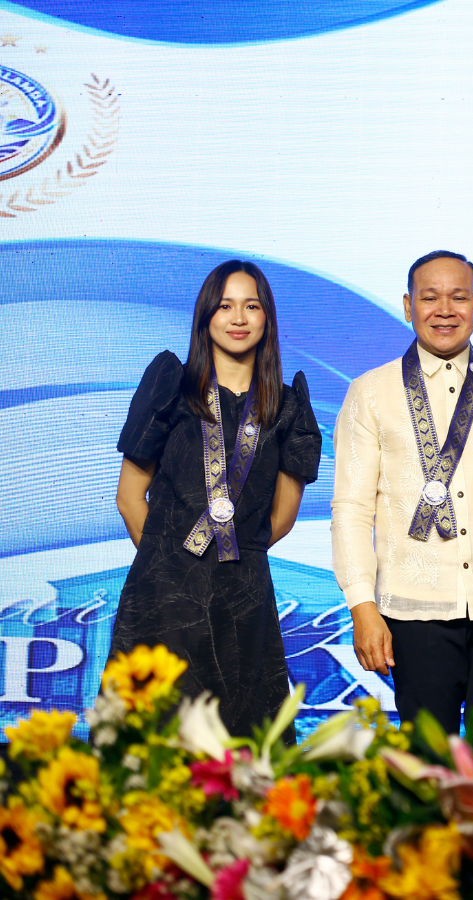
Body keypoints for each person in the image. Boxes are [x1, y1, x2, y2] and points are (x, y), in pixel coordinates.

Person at [331, 250, 473, 736]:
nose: (445, 309)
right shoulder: (370, 392)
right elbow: (351, 510)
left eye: (459, 297)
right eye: (430, 297)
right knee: (426, 769)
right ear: (407, 305)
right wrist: (362, 606)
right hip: (413, 611)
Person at [112, 260, 322, 736]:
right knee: (155, 743)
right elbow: (129, 497)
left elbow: (281, 519)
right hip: (163, 597)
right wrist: (174, 569)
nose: (238, 318)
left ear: (267, 318)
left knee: (245, 744)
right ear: (206, 316)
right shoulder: (173, 385)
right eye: (225, 306)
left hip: (243, 596)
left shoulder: (287, 407)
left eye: (252, 306)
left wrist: (229, 565)